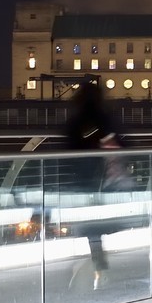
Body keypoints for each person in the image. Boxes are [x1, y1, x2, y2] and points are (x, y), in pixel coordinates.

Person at [60, 79, 121, 287]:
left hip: (82, 178)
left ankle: (96, 260)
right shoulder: (104, 116)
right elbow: (122, 141)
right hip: (103, 177)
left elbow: (68, 146)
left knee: (88, 221)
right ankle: (98, 261)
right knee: (94, 221)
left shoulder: (77, 119)